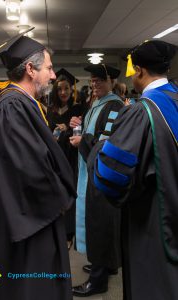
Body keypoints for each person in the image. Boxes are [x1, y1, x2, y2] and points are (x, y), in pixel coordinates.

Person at [0, 30, 76, 300]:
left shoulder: (18, 104)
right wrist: (64, 198)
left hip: (22, 213)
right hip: (28, 218)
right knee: (29, 282)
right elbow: (30, 171)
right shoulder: (12, 108)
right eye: (48, 68)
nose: (52, 75)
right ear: (30, 68)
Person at [89, 40, 178, 300]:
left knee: (153, 282)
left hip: (152, 219)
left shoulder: (142, 112)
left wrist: (99, 146)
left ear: (139, 71)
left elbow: (110, 176)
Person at [70, 64, 124, 297]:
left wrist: (82, 140)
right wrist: (78, 126)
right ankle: (106, 264)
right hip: (91, 171)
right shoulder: (97, 105)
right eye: (92, 80)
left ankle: (98, 280)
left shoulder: (114, 106)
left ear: (111, 81)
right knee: (100, 220)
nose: (94, 85)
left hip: (103, 173)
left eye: (99, 80)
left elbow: (105, 144)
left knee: (100, 222)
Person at [47, 69, 83, 249]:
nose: (63, 92)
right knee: (55, 194)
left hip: (70, 158)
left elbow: (81, 133)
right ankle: (55, 230)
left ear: (72, 89)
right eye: (60, 89)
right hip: (54, 159)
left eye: (67, 88)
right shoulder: (50, 110)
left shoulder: (78, 109)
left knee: (70, 194)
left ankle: (68, 233)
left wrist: (67, 130)